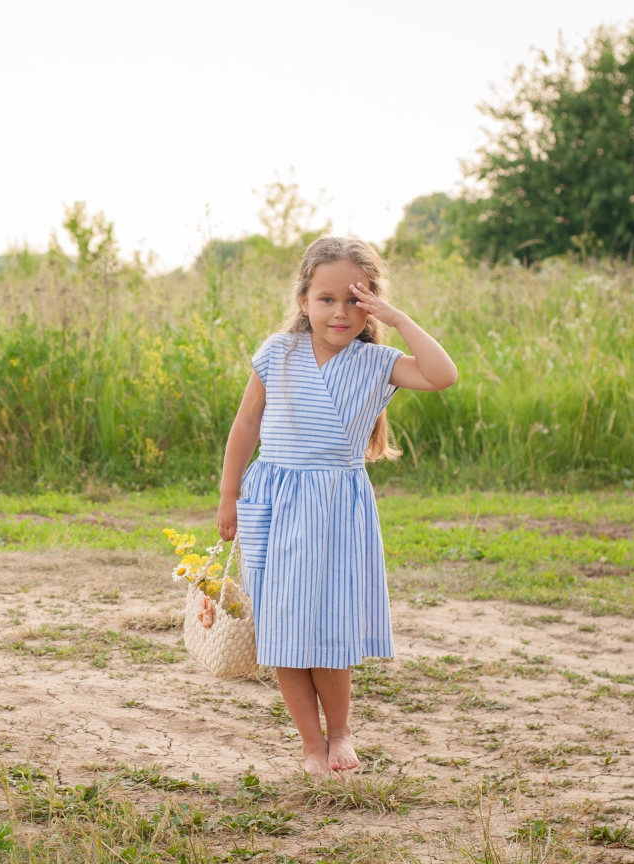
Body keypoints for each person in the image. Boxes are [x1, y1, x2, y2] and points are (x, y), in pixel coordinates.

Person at [216, 236, 457, 776]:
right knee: (282, 629)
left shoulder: (377, 362)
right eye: (327, 299)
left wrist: (397, 319)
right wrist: (229, 494)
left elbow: (443, 375)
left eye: (355, 299)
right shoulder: (278, 353)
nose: (340, 312)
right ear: (304, 300)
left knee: (330, 626)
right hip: (275, 505)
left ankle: (341, 731)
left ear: (372, 303)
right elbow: (246, 423)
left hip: (335, 512)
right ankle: (310, 744)